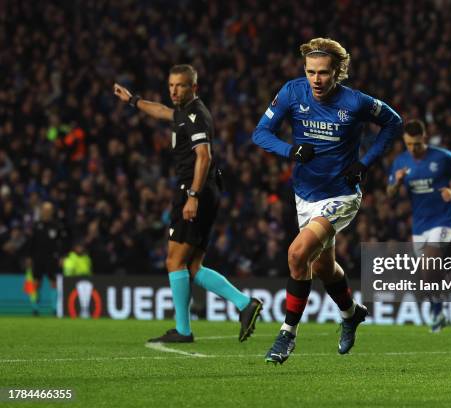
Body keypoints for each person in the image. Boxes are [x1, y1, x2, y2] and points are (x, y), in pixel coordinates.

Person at [253, 38, 403, 364]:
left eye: (323, 73)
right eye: (311, 72)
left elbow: (394, 123)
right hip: (304, 193)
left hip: (341, 195)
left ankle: (287, 334)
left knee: (297, 254)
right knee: (322, 266)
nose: (316, 80)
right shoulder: (292, 92)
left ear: (338, 72)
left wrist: (364, 163)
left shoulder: (356, 102)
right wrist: (289, 151)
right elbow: (260, 132)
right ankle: (351, 314)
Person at [113, 64, 262, 343]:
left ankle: (184, 330)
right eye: (171, 85)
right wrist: (133, 100)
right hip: (202, 191)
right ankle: (244, 305)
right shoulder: (183, 112)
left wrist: (192, 196)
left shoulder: (196, 115)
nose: (173, 90)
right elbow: (160, 111)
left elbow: (203, 157)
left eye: (180, 85)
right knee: (192, 267)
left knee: (174, 261)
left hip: (195, 191)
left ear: (194, 87)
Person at [387, 119, 451, 332]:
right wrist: (396, 183)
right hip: (419, 224)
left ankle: (441, 301)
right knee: (427, 274)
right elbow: (390, 194)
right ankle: (438, 310)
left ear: (424, 138)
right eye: (408, 144)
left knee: (430, 261)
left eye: (416, 144)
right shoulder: (401, 162)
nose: (413, 148)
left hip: (442, 219)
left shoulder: (442, 157)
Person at [25, 202, 67, 315]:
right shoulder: (36, 225)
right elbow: (31, 242)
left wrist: (62, 256)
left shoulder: (57, 225)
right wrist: (28, 257)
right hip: (37, 257)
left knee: (53, 282)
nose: (47, 211)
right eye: (45, 209)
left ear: (52, 211)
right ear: (42, 211)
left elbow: (62, 243)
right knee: (35, 283)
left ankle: (54, 308)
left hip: (51, 258)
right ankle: (34, 308)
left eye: (49, 210)